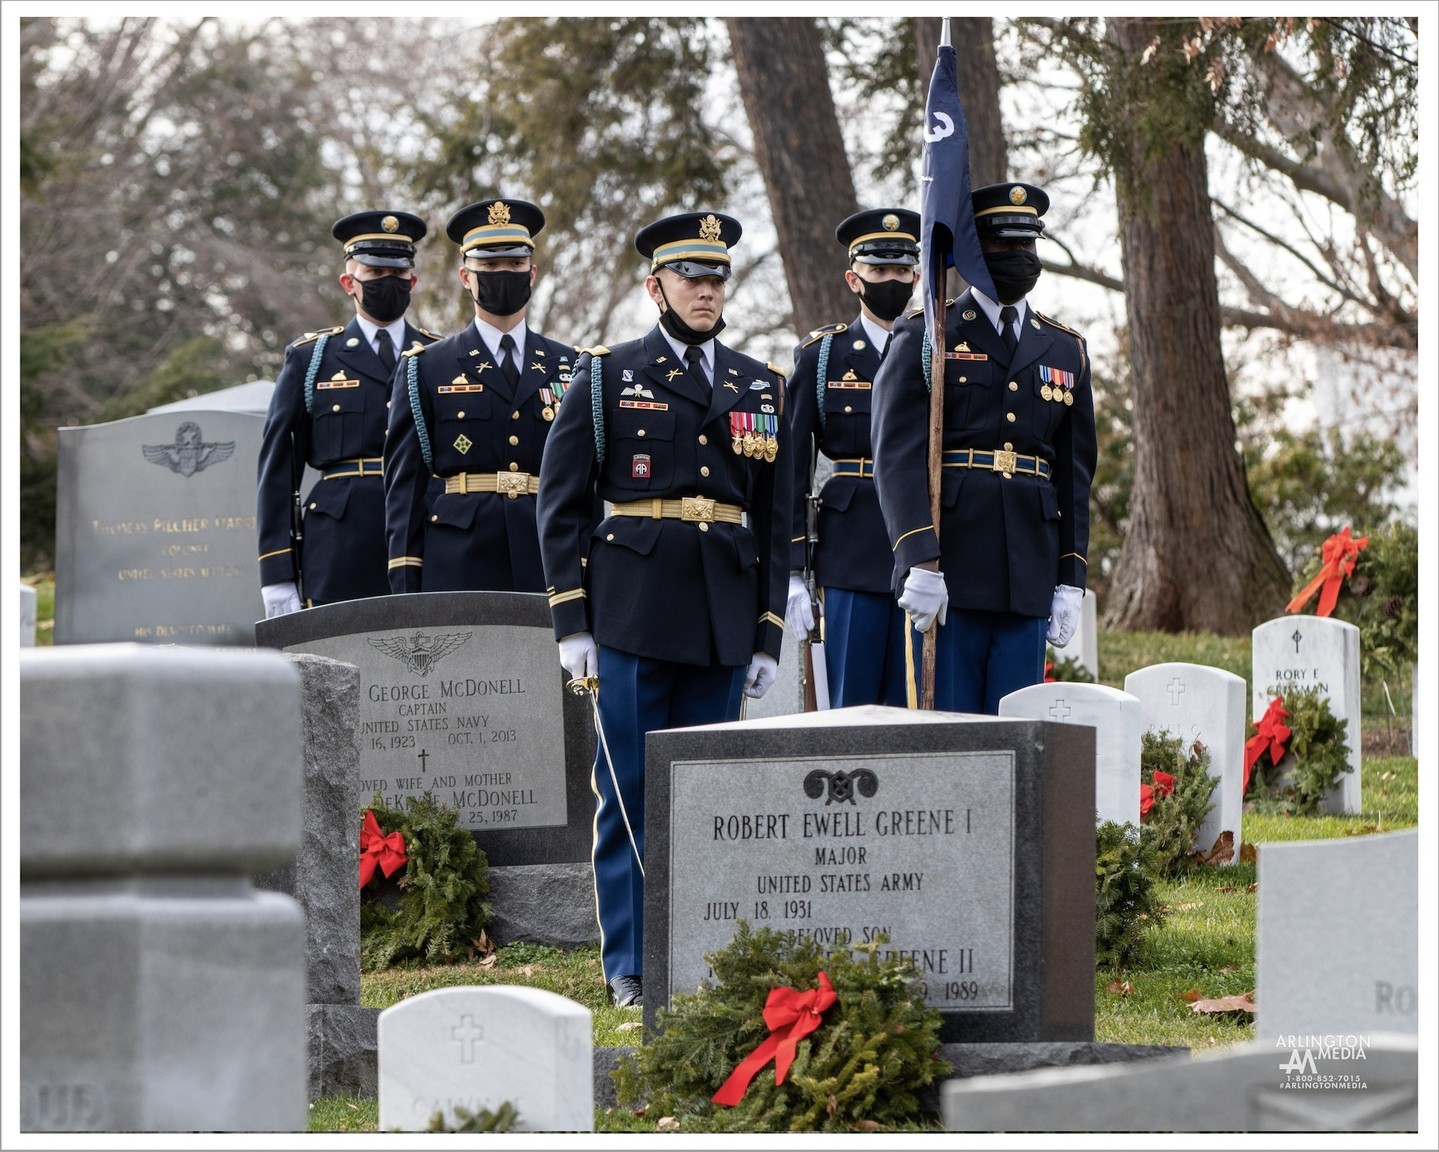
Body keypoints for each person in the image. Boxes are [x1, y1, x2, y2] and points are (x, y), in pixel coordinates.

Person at [536, 211, 791, 1008]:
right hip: (632, 611)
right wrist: (572, 623)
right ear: (656, 287)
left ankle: (704, 953)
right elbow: (561, 505)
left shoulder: (761, 384)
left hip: (721, 611)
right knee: (632, 790)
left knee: (709, 794)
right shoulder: (607, 376)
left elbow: (780, 521)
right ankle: (631, 965)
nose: (707, 289)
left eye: (716, 277)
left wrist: (768, 633)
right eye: (690, 277)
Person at [871, 181, 1096, 714]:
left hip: (1028, 569)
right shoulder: (929, 333)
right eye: (1004, 247)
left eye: (1027, 246)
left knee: (1015, 731)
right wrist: (919, 559)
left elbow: (1074, 474)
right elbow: (895, 457)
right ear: (973, 252)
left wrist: (1071, 576)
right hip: (952, 565)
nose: (1019, 258)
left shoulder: (1065, 349)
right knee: (948, 729)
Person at [384, 198, 576, 592]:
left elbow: (581, 480)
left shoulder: (571, 365)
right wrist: (406, 581)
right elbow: (406, 486)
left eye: (515, 264)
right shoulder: (427, 365)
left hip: (546, 557)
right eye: (488, 266)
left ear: (532, 272)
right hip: (458, 559)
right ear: (465, 277)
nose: (503, 274)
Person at [257, 210, 440, 615]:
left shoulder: (437, 357)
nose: (387, 282)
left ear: (413, 281)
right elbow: (277, 469)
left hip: (424, 532)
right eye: (374, 273)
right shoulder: (312, 359)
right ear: (348, 283)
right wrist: (277, 572)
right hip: (339, 541)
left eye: (397, 273)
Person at [784, 208, 920, 707]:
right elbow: (793, 467)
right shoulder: (823, 357)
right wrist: (794, 568)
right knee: (850, 704)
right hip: (851, 550)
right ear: (853, 278)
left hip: (926, 549)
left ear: (917, 276)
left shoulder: (939, 349)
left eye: (901, 271)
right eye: (878, 271)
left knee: (919, 708)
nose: (891, 280)